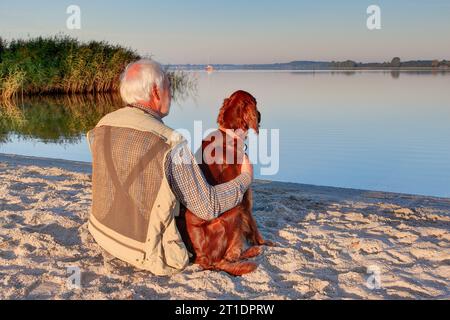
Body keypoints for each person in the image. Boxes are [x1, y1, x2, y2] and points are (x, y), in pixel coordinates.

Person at [87, 59, 253, 276]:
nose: (171, 93)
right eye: (169, 86)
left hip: (102, 232)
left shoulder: (103, 124)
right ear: (156, 92)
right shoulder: (171, 141)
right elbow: (208, 206)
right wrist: (245, 178)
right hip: (144, 250)